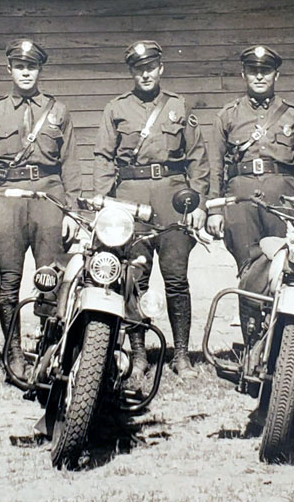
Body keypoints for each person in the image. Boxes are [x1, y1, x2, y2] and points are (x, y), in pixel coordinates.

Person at [92, 40, 209, 376]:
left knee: (176, 278)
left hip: (173, 198)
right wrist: (103, 203)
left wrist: (197, 201)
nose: (145, 74)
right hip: (130, 198)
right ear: (132, 71)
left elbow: (198, 157)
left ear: (161, 68)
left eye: (150, 67)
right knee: (133, 279)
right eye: (138, 68)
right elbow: (103, 157)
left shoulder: (179, 107)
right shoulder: (116, 109)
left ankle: (181, 355)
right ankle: (140, 354)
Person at [0, 39, 79, 378]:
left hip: (49, 199)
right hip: (8, 202)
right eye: (20, 66)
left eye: (32, 66)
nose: (26, 72)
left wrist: (71, 211)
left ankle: (47, 352)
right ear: (10, 70)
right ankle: (13, 353)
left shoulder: (58, 111)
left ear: (40, 70)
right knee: (9, 282)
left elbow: (70, 164)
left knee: (51, 280)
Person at [204, 44, 294, 346]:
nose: (258, 76)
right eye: (253, 71)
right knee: (249, 269)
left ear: (275, 75)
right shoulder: (227, 115)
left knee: (288, 268)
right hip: (240, 201)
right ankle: (253, 347)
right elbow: (214, 165)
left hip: (283, 200)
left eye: (265, 71)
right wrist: (214, 209)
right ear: (244, 74)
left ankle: (284, 345)